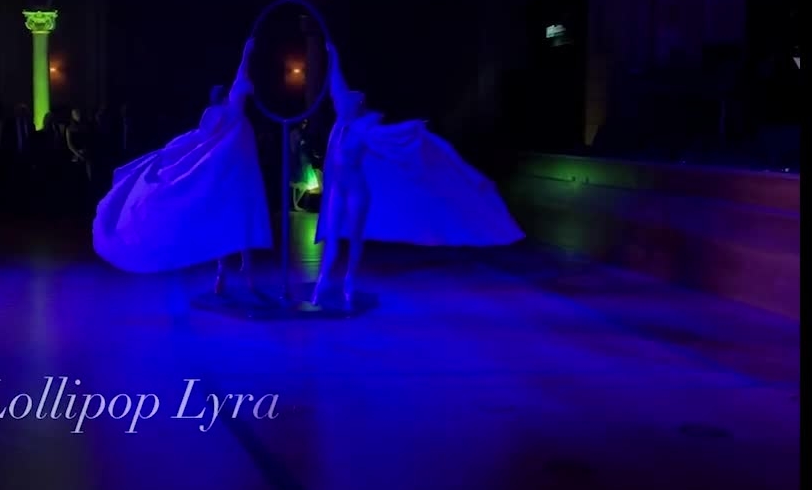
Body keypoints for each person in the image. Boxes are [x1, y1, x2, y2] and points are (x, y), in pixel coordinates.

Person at [305, 43, 525, 311]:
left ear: (357, 104)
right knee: (332, 238)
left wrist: (414, 128)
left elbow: (394, 136)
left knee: (353, 239)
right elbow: (335, 84)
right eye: (344, 97)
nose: (343, 99)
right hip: (338, 192)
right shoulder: (340, 124)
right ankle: (323, 282)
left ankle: (349, 280)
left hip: (356, 192)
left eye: (350, 98)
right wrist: (332, 53)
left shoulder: (366, 131)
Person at [93, 39, 272, 288]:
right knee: (236, 220)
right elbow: (241, 74)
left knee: (232, 220)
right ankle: (235, 274)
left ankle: (230, 274)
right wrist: (247, 50)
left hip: (233, 175)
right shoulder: (230, 113)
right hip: (234, 175)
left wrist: (248, 52)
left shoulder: (219, 119)